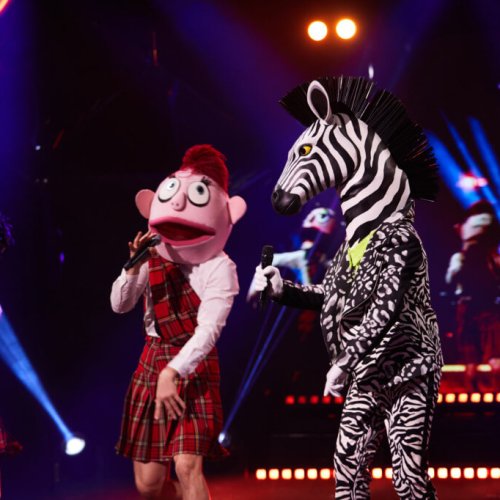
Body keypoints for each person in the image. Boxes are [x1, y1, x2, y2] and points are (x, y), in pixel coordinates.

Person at [253, 76, 443, 498]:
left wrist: (343, 361)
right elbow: (334, 296)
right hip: (367, 371)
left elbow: (386, 307)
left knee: (408, 477)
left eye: (307, 153)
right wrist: (284, 290)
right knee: (347, 473)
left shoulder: (401, 237)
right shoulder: (350, 246)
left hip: (408, 369)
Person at [111, 145, 246, 499]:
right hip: (152, 361)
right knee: (148, 485)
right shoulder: (152, 255)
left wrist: (173, 372)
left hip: (194, 368)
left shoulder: (220, 267)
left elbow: (208, 332)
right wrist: (133, 268)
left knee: (187, 466)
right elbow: (119, 305)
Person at [445, 200, 500, 389]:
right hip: (478, 308)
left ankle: (476, 387)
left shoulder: (487, 259)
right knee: (486, 355)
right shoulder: (465, 259)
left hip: (480, 308)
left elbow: (451, 280)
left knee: (477, 356)